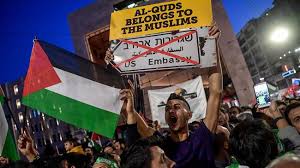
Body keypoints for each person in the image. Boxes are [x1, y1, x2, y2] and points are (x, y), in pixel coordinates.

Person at [118, 22, 222, 168]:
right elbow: (142, 129)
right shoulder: (160, 144)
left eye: (177, 107)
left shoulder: (202, 136)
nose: (170, 110)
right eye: (167, 108)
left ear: (189, 114)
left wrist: (212, 46)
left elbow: (216, 93)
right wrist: (128, 109)